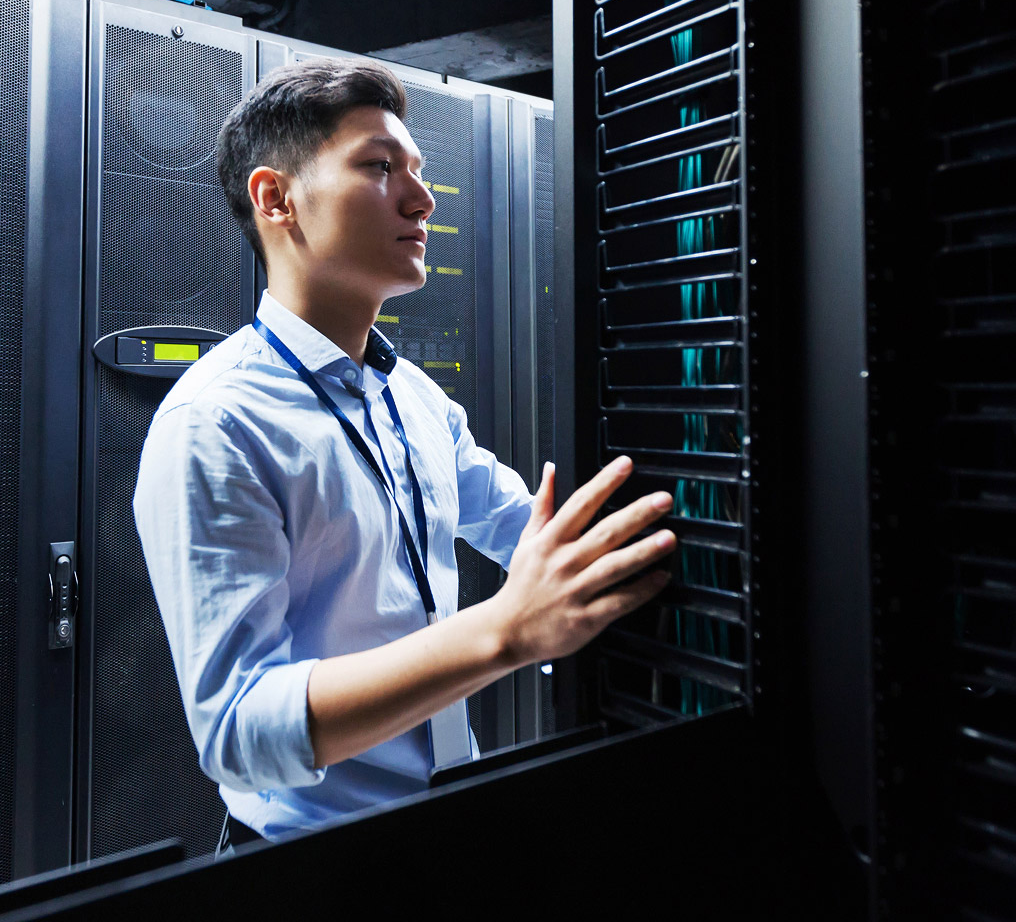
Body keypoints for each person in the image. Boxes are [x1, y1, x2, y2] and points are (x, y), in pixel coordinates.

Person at [133, 58, 676, 849]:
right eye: (380, 167)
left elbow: (532, 534)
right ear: (276, 198)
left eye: (416, 170)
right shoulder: (216, 423)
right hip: (311, 862)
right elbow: (239, 731)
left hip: (454, 819)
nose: (423, 199)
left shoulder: (415, 398)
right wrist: (504, 631)